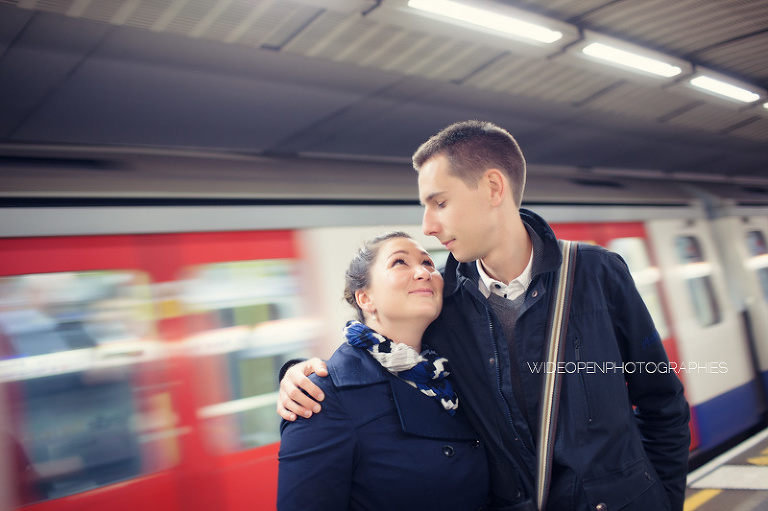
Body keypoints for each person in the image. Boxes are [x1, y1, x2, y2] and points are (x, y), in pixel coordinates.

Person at [278, 121, 691, 511]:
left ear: (494, 187)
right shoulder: (442, 305)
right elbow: (384, 355)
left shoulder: (598, 273)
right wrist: (300, 373)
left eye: (439, 202)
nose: (428, 226)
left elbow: (662, 403)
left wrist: (665, 501)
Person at [277, 231, 489, 510]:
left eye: (427, 263)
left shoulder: (448, 372)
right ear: (365, 299)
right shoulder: (322, 397)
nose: (424, 272)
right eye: (399, 262)